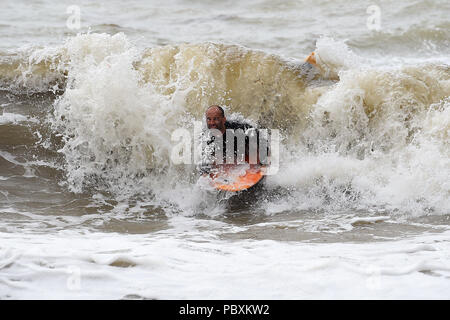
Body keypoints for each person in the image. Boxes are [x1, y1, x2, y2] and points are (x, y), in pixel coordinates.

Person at [200, 105, 267, 173]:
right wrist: (205, 173)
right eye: (209, 119)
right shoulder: (207, 137)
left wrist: (264, 163)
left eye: (216, 119)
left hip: (244, 148)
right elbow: (205, 159)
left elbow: (261, 140)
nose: (212, 123)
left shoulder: (238, 129)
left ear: (224, 120)